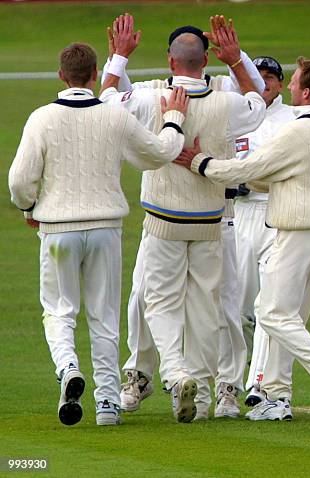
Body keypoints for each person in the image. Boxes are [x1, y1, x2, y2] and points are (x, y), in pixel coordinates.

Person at [174, 57, 310, 422]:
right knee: (291, 317)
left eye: (294, 82)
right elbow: (279, 177)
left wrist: (200, 162)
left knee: (271, 312)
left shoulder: (297, 130)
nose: (289, 87)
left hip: (298, 231)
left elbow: (249, 169)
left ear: (306, 92)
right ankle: (277, 395)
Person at [7, 42, 188, 426]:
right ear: (93, 76)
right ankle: (107, 405)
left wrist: (28, 208)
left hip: (58, 231)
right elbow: (157, 153)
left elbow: (20, 179)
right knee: (104, 317)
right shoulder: (113, 116)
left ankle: (68, 367)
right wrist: (174, 118)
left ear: (61, 76)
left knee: (59, 311)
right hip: (105, 229)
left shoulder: (42, 117)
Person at [100, 14, 265, 422]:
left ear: (171, 63)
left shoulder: (147, 99)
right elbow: (259, 101)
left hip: (163, 221)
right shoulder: (228, 100)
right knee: (206, 310)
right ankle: (203, 397)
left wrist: (119, 56)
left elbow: (105, 103)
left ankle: (176, 376)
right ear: (205, 60)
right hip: (211, 220)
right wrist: (236, 60)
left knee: (157, 302)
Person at [231, 56, 297, 407]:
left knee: (268, 304)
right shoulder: (239, 112)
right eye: (259, 77)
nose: (265, 83)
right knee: (239, 307)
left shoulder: (292, 118)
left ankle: (259, 383)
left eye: (271, 78)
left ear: (281, 84)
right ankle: (232, 381)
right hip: (240, 215)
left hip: (275, 213)